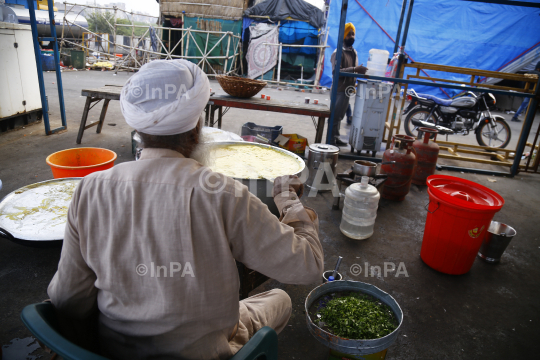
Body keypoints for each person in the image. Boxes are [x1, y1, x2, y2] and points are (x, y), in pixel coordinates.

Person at [48, 59, 324, 359]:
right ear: (196, 128)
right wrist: (288, 201)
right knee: (281, 299)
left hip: (115, 350)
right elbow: (307, 266)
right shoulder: (224, 193)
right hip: (206, 352)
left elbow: (67, 298)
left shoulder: (90, 189)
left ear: (138, 128)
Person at [330, 23, 367, 146]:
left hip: (347, 89)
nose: (351, 36)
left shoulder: (353, 52)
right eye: (349, 34)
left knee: (340, 115)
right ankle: (330, 140)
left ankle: (335, 137)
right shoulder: (338, 52)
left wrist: (360, 74)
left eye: (353, 34)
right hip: (339, 89)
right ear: (343, 36)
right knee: (335, 115)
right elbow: (337, 72)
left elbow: (354, 69)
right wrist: (355, 69)